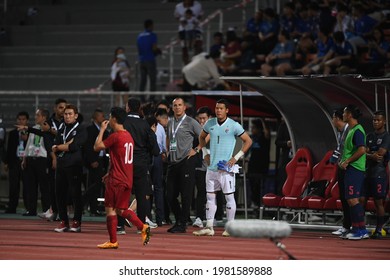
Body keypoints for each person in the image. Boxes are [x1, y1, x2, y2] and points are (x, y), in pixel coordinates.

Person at [193, 99, 252, 237]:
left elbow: (248, 141)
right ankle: (209, 227)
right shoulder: (210, 123)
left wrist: (236, 157)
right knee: (210, 197)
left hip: (226, 169)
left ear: (227, 110)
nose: (218, 110)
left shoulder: (234, 125)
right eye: (217, 108)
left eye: (221, 108)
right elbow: (201, 138)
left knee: (229, 198)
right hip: (212, 168)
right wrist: (205, 153)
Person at [93, 107, 151, 249]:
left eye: (110, 116)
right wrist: (110, 171)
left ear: (114, 119)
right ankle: (142, 227)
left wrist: (101, 129)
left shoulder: (116, 135)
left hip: (116, 180)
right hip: (126, 178)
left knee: (111, 210)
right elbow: (118, 158)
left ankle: (114, 240)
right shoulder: (128, 136)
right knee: (121, 209)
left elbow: (96, 147)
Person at [121, 97, 159, 233]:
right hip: (141, 164)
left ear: (128, 108)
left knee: (122, 195)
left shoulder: (122, 123)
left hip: (124, 163)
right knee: (141, 195)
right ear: (139, 109)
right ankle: (141, 225)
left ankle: (120, 226)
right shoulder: (144, 125)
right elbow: (155, 150)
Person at [166, 97, 202, 233]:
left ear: (184, 107)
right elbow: (169, 137)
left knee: (186, 195)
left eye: (180, 105)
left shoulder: (191, 122)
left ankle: (181, 224)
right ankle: (180, 219)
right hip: (173, 162)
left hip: (186, 161)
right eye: (175, 105)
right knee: (169, 195)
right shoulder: (170, 123)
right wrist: (167, 149)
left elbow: (206, 136)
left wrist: (197, 149)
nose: (177, 107)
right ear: (172, 107)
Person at [52, 104, 87, 233]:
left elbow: (74, 146)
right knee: (59, 193)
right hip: (61, 164)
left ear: (76, 116)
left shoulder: (82, 129)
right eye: (66, 114)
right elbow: (55, 142)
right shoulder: (62, 128)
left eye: (70, 114)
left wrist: (59, 147)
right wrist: (64, 145)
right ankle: (63, 221)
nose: (67, 116)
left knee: (75, 194)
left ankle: (77, 221)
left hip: (74, 165)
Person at [339, 104, 368, 240]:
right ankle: (360, 229)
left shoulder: (357, 130)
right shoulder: (351, 130)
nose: (343, 115)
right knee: (351, 199)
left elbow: (362, 149)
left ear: (349, 114)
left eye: (344, 113)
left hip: (355, 168)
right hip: (351, 168)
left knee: (352, 199)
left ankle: (359, 230)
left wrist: (347, 161)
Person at [17, 109, 53, 217]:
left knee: (44, 186)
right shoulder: (34, 128)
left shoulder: (48, 128)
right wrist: (24, 158)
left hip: (42, 159)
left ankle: (46, 209)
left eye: (38, 115)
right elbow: (28, 144)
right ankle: (31, 209)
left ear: (44, 117)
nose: (35, 117)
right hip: (31, 158)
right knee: (31, 186)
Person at [364, 110, 389, 239]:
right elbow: (364, 153)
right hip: (367, 173)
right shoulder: (369, 136)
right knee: (361, 200)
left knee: (378, 202)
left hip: (379, 174)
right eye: (374, 120)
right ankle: (360, 228)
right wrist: (370, 155)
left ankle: (379, 229)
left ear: (384, 121)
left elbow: (380, 155)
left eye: (378, 120)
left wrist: (370, 154)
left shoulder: (386, 137)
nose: (375, 122)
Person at [83, 109, 109, 216]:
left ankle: (94, 208)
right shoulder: (90, 130)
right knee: (95, 184)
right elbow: (88, 147)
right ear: (95, 117)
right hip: (94, 160)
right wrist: (92, 160)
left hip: (102, 160)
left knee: (99, 185)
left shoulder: (105, 131)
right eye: (101, 116)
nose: (103, 118)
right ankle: (84, 202)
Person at [330, 108, 351, 237]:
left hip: (349, 167)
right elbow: (340, 148)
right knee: (343, 197)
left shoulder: (350, 130)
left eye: (333, 118)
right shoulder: (340, 132)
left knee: (350, 198)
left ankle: (354, 225)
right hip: (341, 166)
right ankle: (346, 226)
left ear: (336, 118)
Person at [3, 111, 29, 214]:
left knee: (27, 186)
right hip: (14, 162)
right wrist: (6, 162)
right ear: (17, 120)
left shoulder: (30, 132)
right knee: (13, 186)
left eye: (23, 119)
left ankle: (29, 208)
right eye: (19, 119)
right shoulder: (13, 133)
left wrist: (26, 139)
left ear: (27, 121)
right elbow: (9, 149)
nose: (21, 121)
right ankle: (12, 207)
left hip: (26, 162)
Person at [192, 106, 212, 228]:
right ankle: (199, 217)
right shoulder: (195, 129)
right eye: (199, 119)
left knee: (213, 193)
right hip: (200, 166)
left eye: (204, 118)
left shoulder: (215, 128)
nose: (201, 121)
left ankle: (213, 217)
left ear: (209, 118)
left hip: (213, 166)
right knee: (200, 191)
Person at [247, 118, 270, 217]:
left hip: (261, 166)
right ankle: (254, 207)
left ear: (259, 128)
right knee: (253, 187)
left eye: (254, 128)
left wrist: (263, 120)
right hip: (252, 166)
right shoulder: (252, 138)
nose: (252, 129)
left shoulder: (264, 137)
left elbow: (267, 133)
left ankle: (260, 207)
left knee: (259, 187)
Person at [137, 19, 161, 95]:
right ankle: (152, 98)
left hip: (141, 60)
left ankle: (141, 98)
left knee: (143, 80)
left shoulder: (139, 36)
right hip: (150, 60)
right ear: (150, 26)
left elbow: (139, 49)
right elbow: (154, 48)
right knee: (152, 80)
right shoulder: (152, 35)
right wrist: (158, 51)